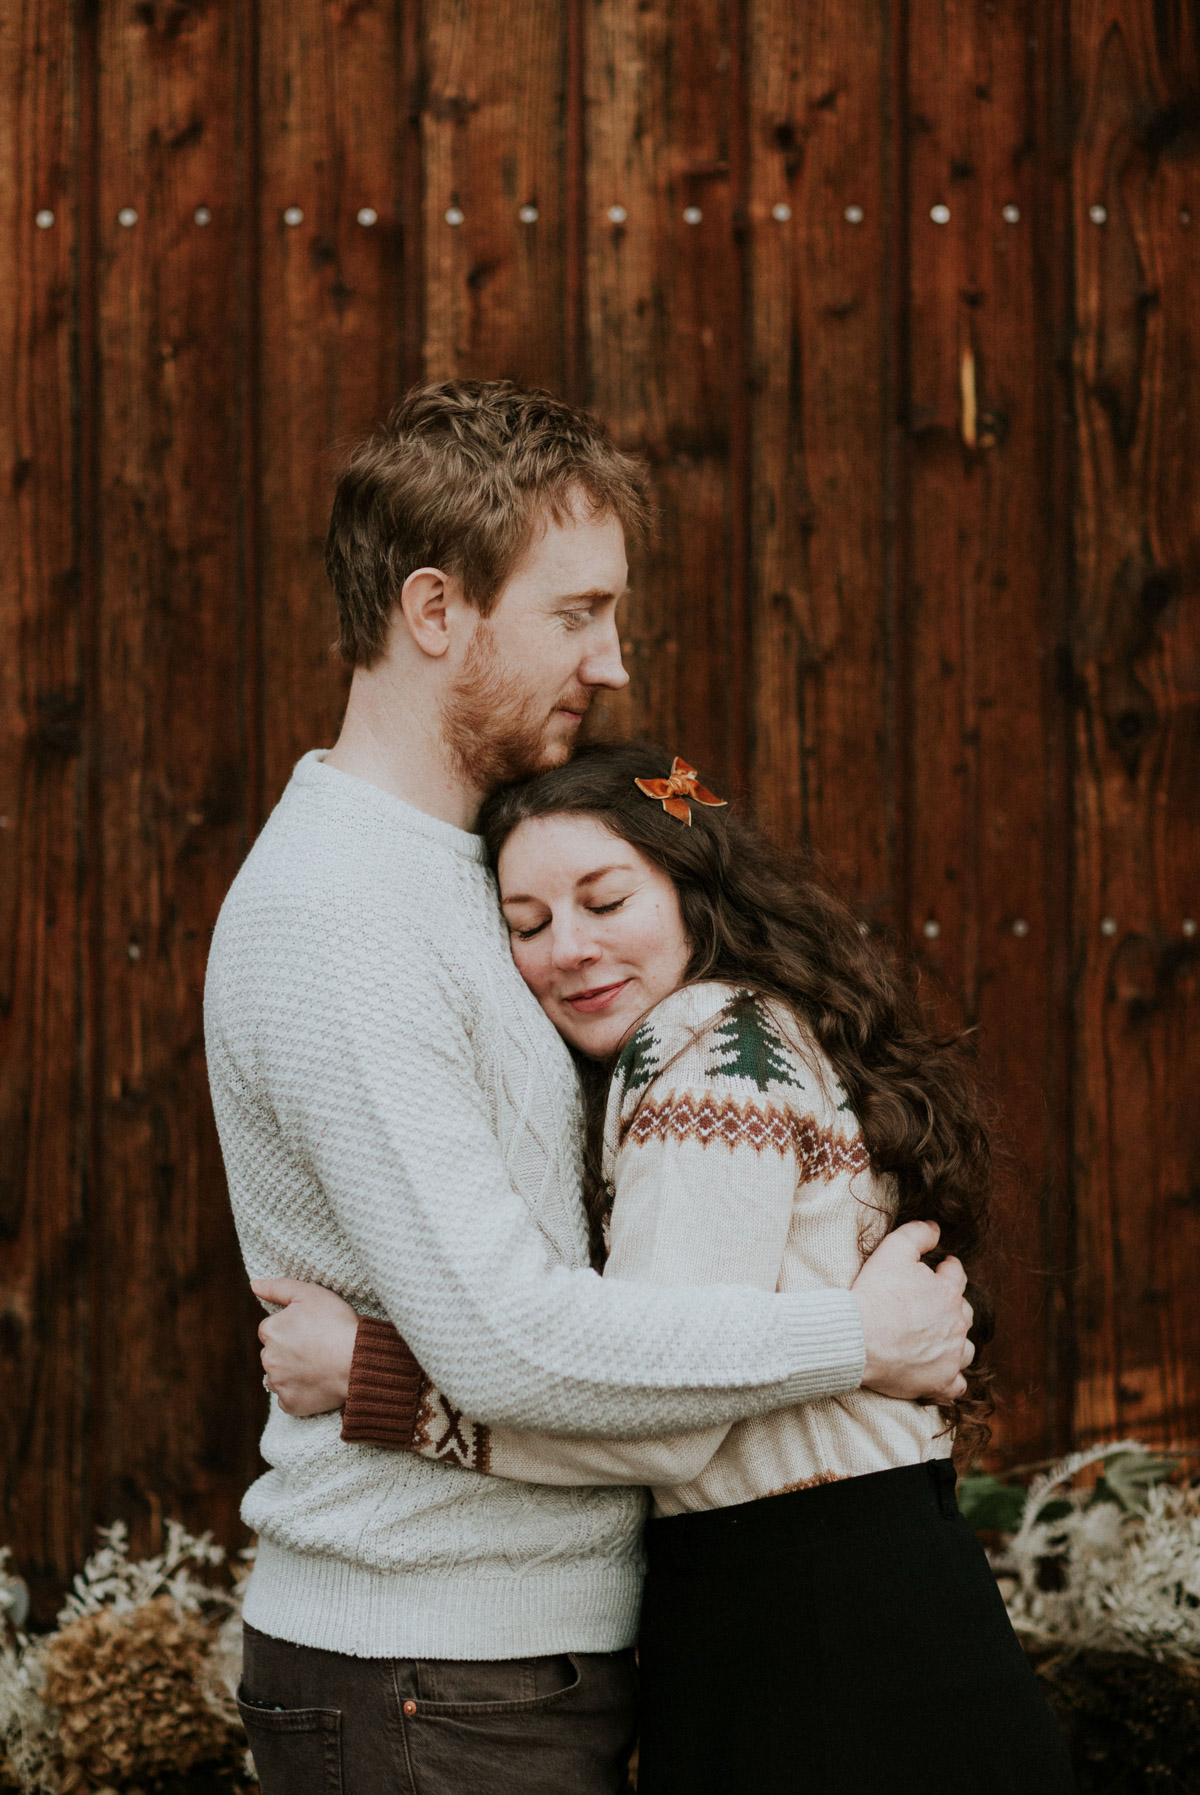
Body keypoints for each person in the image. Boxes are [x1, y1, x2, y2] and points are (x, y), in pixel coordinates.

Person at [204, 380, 975, 1795]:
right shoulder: (342, 917)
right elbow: (513, 1339)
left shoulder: (470, 880)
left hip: (509, 1669)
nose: (613, 662)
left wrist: (374, 1368)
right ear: (438, 613)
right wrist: (848, 1337)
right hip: (430, 1679)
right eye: (577, 612)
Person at [265, 741, 1076, 1794]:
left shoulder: (702, 1049)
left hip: (812, 1619)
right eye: (528, 924)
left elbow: (665, 1412)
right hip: (857, 1589)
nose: (569, 948)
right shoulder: (755, 1027)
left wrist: (372, 1376)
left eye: (606, 900)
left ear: (693, 890)